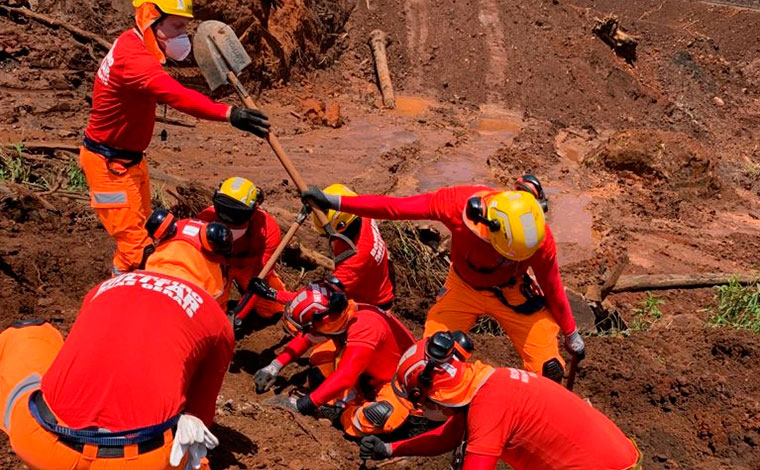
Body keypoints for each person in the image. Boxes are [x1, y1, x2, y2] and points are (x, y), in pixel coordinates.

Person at [0, 211, 235, 470]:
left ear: (159, 250)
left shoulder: (103, 288)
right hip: (138, 461)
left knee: (32, 333)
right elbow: (200, 413)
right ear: (217, 269)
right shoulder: (216, 320)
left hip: (42, 445)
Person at [302, 176, 584, 382]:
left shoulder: (539, 238)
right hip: (463, 286)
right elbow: (394, 208)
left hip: (514, 294)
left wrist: (571, 333)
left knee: (549, 370)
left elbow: (551, 284)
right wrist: (334, 202)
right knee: (431, 358)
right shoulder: (456, 206)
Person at [80, 0, 271, 276]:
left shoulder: (134, 42)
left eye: (186, 26)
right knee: (139, 252)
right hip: (109, 168)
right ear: (151, 19)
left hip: (130, 162)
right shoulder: (133, 59)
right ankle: (126, 304)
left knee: (144, 234)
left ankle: (119, 284)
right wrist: (230, 114)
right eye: (177, 26)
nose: (184, 34)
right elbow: (177, 95)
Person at [359, 332, 643, 470]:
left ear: (433, 396)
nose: (423, 410)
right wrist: (389, 448)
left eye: (420, 402)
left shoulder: (489, 409)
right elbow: (449, 436)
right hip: (622, 459)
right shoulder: (492, 383)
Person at [253, 279, 415, 437]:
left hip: (395, 383)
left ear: (323, 320)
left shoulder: (365, 326)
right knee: (319, 362)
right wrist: (274, 365)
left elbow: (345, 376)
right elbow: (309, 338)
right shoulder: (340, 315)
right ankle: (345, 399)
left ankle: (341, 415)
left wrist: (302, 404)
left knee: (378, 416)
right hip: (366, 367)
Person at [197, 177, 286, 322]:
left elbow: (260, 277)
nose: (228, 220)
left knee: (273, 307)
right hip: (218, 266)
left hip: (250, 267)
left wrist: (240, 313)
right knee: (212, 310)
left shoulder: (267, 230)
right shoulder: (205, 220)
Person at [311, 184, 394, 309]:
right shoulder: (364, 214)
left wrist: (277, 295)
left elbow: (322, 297)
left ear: (342, 226)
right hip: (379, 285)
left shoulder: (355, 258)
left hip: (371, 306)